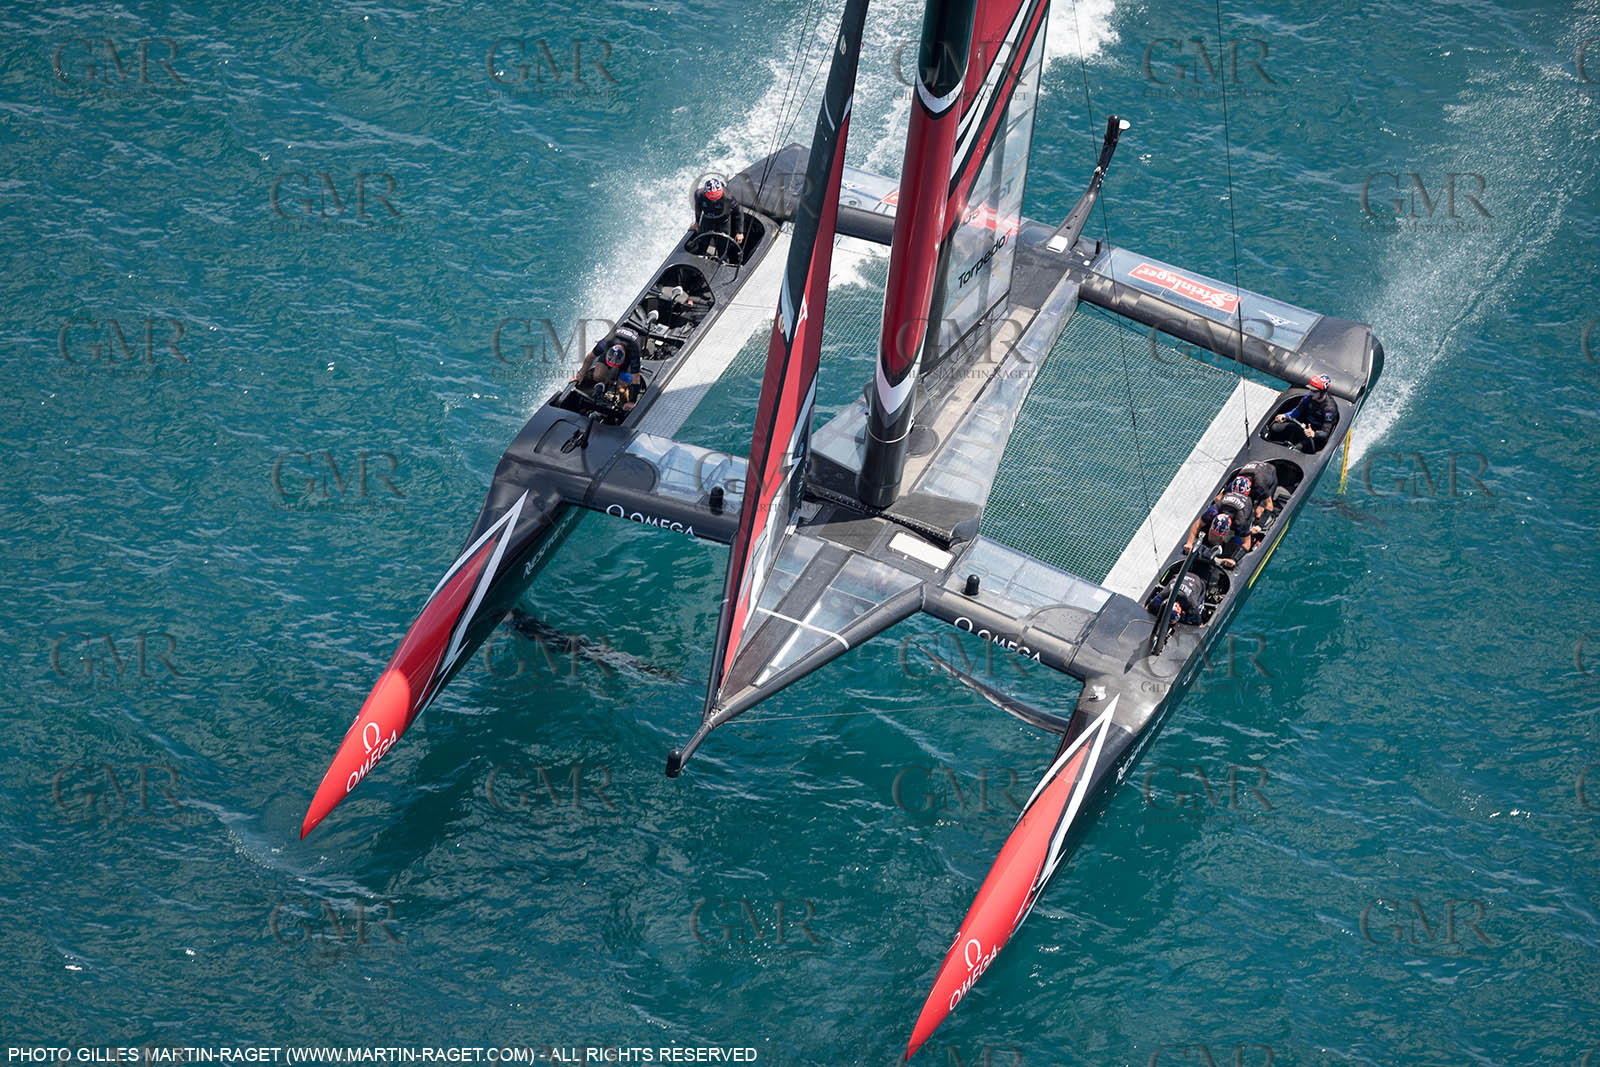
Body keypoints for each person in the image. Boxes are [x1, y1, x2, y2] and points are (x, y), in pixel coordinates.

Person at [1266, 374, 1338, 452]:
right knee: (1274, 428)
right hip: (1303, 427)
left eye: (1314, 391)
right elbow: (1297, 411)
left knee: (1296, 449)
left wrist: (1314, 434)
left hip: (1315, 437)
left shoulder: (1329, 409)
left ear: (1322, 392)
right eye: (1310, 389)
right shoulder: (1308, 397)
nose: (1311, 393)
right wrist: (1285, 415)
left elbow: (1325, 433)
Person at [1183, 490, 1260, 554]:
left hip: (1245, 508)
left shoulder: (1240, 522)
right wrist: (1189, 543)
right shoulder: (1212, 512)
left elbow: (1247, 543)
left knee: (1241, 537)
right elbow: (1198, 524)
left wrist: (1234, 559)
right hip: (1229, 498)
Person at [688, 177, 745, 256]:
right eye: (712, 197)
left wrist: (740, 232)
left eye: (716, 197)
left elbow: (738, 212)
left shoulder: (728, 197)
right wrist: (697, 223)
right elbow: (698, 208)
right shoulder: (698, 195)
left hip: (723, 223)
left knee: (723, 247)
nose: (714, 200)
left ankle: (723, 259)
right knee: (702, 243)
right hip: (707, 221)